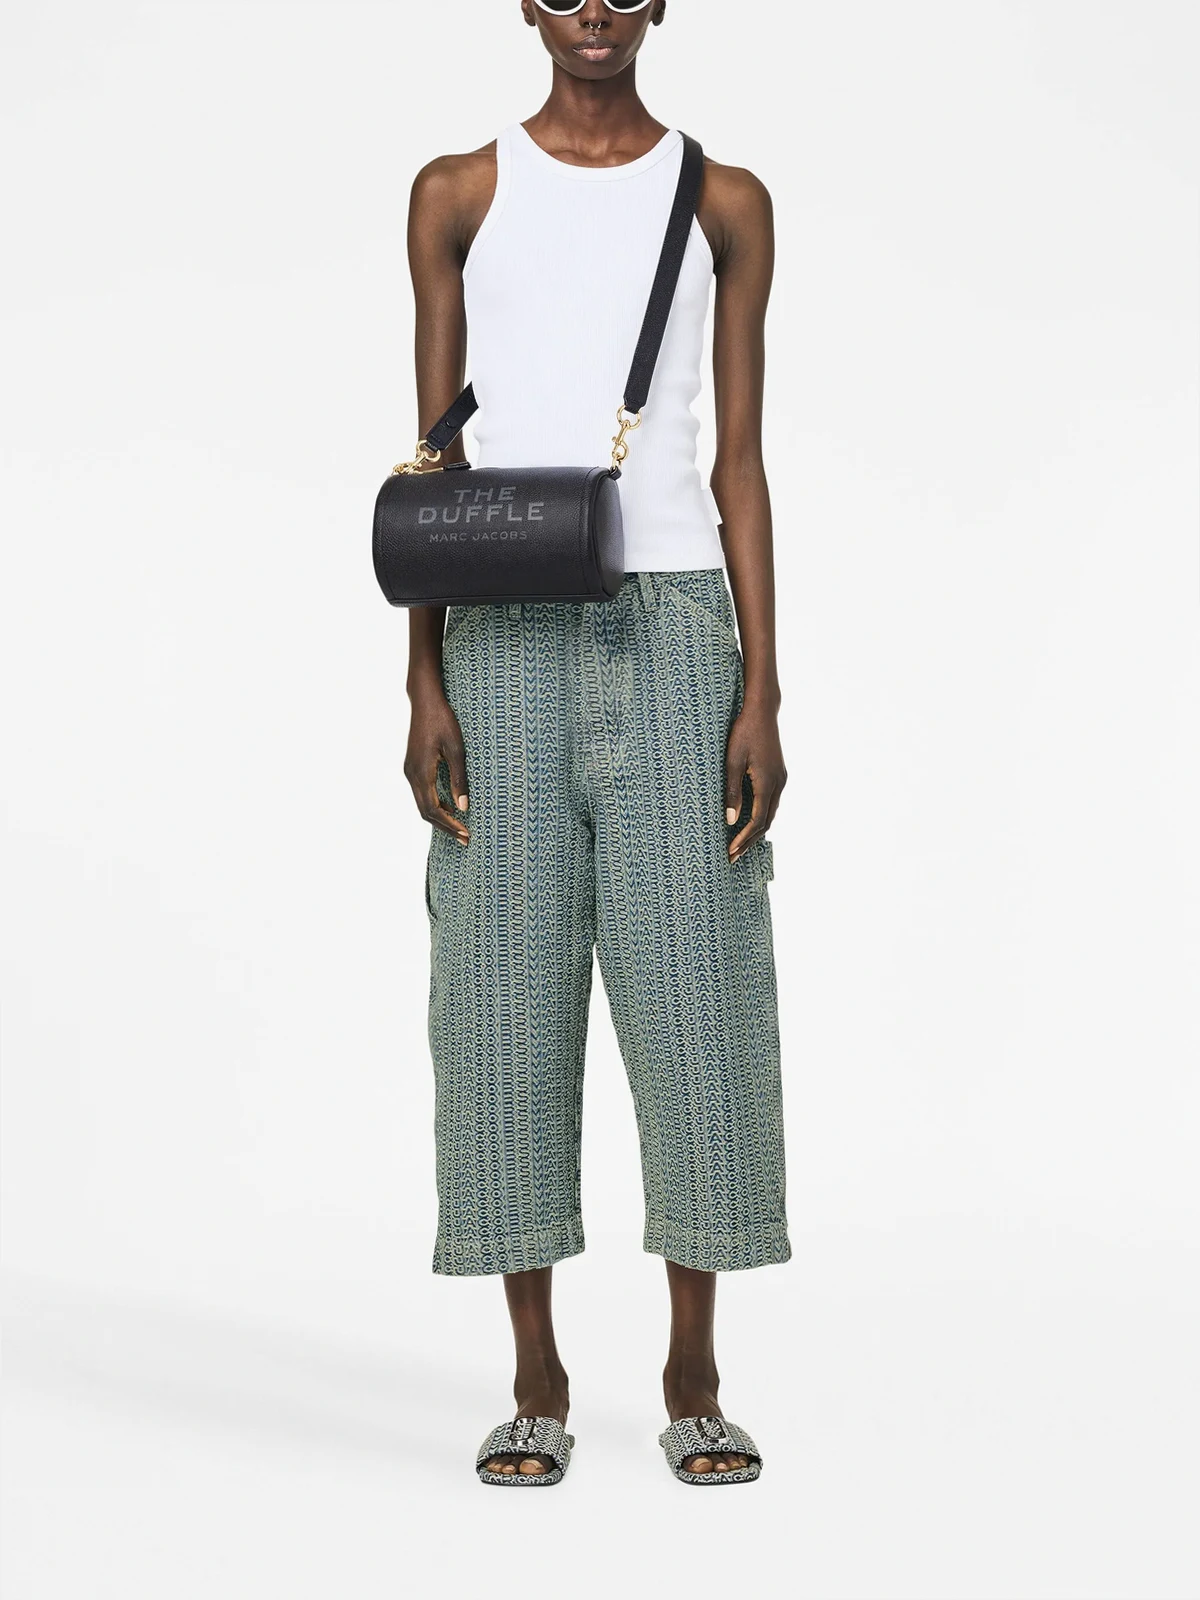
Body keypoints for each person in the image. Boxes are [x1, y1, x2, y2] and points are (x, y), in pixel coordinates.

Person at [402, 0, 790, 1487]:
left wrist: (762, 690)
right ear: (526, 3)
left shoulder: (723, 197)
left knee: (701, 996)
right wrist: (422, 677)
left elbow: (738, 458)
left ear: (660, 3)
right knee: (499, 1001)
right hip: (498, 625)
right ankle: (536, 1377)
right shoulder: (459, 191)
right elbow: (434, 457)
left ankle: (694, 1369)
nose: (594, 15)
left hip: (677, 620)